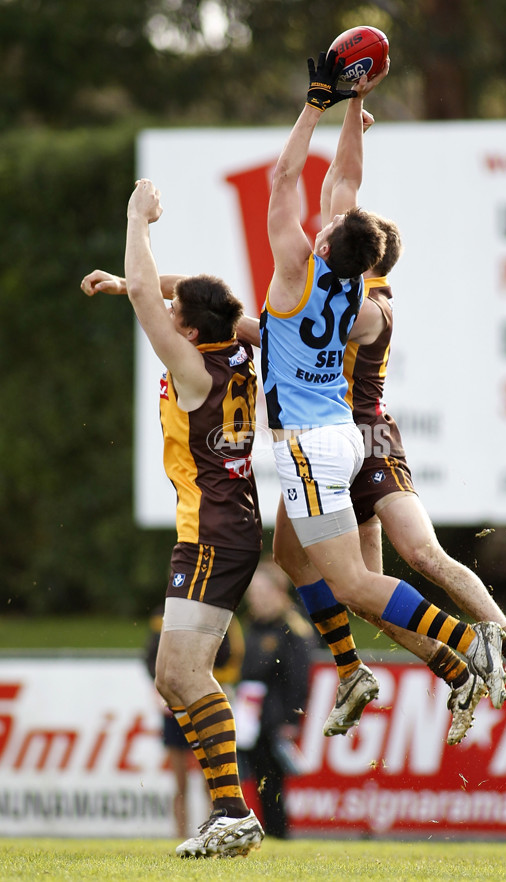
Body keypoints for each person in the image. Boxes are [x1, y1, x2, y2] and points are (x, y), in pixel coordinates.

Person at [260, 49, 506, 732]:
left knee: (354, 585)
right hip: (338, 435)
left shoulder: (293, 274)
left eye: (331, 222)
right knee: (289, 554)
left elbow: (287, 177)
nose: (328, 216)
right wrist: (353, 107)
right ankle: (355, 670)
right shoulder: (359, 291)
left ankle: (470, 642)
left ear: (328, 240)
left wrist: (315, 103)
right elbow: (344, 183)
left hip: (312, 445)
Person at [81, 180, 264, 859]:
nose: (165, 307)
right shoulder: (239, 344)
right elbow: (176, 296)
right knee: (173, 677)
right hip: (224, 528)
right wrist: (135, 287)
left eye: (173, 310)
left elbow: (153, 300)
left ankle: (231, 812)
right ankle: (229, 813)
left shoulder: (191, 369)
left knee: (183, 677)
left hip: (213, 532)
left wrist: (136, 219)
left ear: (189, 330)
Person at [144, 606, 245, 837]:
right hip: (176, 705)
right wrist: (164, 685)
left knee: (210, 780)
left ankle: (213, 831)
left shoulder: (217, 609)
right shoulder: (165, 613)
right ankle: (180, 835)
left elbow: (231, 657)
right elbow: (152, 658)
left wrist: (201, 682)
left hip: (204, 702)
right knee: (180, 783)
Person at [235, 561, 315, 839]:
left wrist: (292, 719)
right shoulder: (251, 626)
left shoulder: (292, 629)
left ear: (279, 591)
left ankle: (279, 833)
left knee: (272, 780)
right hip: (249, 716)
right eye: (253, 592)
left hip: (275, 716)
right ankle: (264, 831)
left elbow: (299, 679)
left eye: (262, 591)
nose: (256, 598)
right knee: (255, 778)